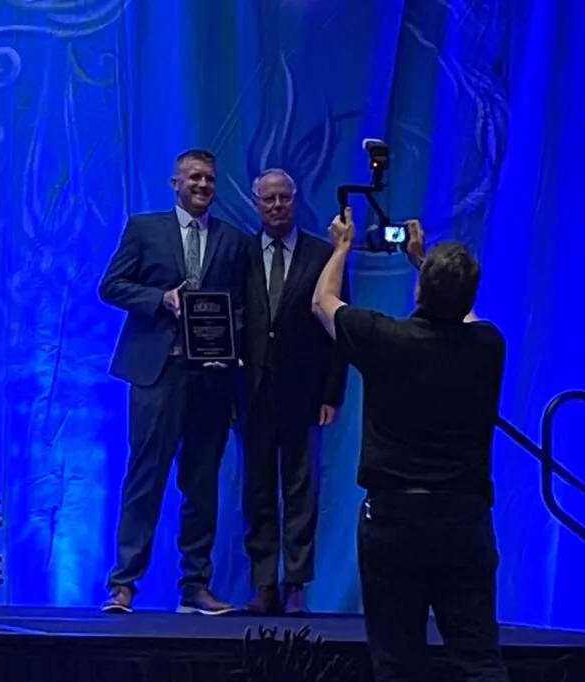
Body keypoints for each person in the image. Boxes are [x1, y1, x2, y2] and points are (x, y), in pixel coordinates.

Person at [312, 209, 509, 681]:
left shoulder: (385, 338)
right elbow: (464, 314)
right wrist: (425, 264)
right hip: (463, 519)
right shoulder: (488, 346)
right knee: (478, 658)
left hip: (394, 520)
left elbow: (323, 302)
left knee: (398, 663)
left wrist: (342, 248)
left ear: (419, 291)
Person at [98, 149, 246, 616]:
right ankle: (123, 584)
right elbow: (111, 286)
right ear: (175, 183)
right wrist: (159, 298)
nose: (203, 185)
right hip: (156, 373)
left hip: (211, 378)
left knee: (201, 485)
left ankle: (195, 586)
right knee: (145, 478)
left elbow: (243, 306)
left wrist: (230, 341)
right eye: (194, 177)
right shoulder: (145, 228)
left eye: (210, 179)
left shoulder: (233, 240)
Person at [237, 169, 349, 615]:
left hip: (305, 394)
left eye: (284, 197)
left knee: (302, 491)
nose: (277, 206)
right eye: (269, 199)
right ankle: (264, 583)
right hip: (252, 393)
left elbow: (338, 330)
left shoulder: (323, 256)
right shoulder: (241, 254)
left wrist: (332, 393)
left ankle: (296, 584)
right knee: (257, 491)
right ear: (256, 204)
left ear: (296, 200)